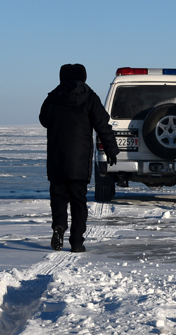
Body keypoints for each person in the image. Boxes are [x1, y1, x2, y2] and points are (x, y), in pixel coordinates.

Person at [39, 63, 119, 252]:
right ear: (84, 76)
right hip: (79, 160)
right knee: (78, 201)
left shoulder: (52, 97)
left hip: (57, 158)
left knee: (58, 197)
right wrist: (111, 150)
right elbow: (103, 125)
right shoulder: (90, 97)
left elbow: (44, 120)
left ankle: (59, 226)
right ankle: (76, 243)